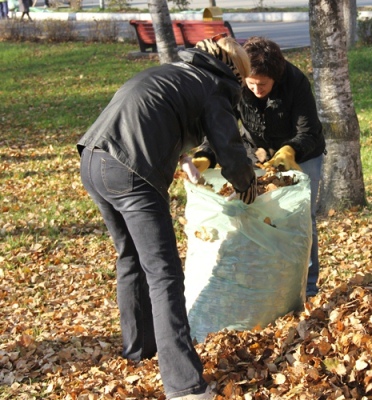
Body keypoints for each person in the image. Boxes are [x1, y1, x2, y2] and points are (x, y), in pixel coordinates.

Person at [78, 36, 257, 400]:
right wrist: (247, 185)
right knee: (165, 274)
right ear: (236, 75)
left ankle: (139, 351)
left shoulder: (175, 71)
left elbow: (153, 113)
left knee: (130, 258)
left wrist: (182, 156)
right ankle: (185, 385)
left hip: (92, 159)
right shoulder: (215, 86)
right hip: (129, 171)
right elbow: (230, 149)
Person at [193, 36, 326, 297]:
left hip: (303, 153)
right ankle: (267, 279)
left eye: (262, 85)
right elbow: (222, 127)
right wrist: (206, 155)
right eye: (251, 84)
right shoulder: (236, 83)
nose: (256, 90)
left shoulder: (295, 82)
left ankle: (307, 286)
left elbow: (309, 131)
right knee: (258, 215)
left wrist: (289, 151)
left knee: (299, 218)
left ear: (276, 78)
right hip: (258, 153)